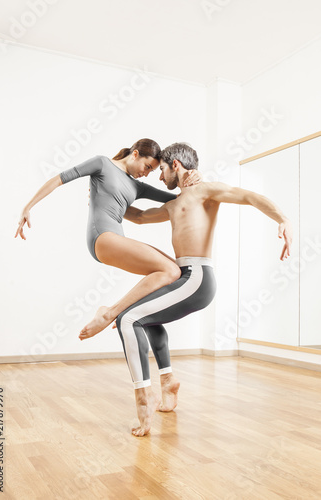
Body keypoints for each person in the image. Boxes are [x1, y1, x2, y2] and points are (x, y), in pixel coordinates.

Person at [109, 142, 292, 437]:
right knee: (145, 318)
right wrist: (107, 198)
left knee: (127, 319)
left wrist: (282, 218)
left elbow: (250, 196)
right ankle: (168, 382)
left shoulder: (205, 191)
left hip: (197, 278)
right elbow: (141, 217)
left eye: (163, 170)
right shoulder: (173, 204)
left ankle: (144, 400)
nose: (159, 177)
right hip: (184, 277)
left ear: (176, 166)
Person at [14, 139, 200, 335]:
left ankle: (136, 315)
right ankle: (110, 313)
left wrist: (196, 176)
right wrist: (27, 207)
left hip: (115, 239)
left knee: (177, 273)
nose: (146, 173)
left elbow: (181, 198)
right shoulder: (102, 164)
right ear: (135, 154)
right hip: (102, 237)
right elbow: (59, 179)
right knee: (171, 270)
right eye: (146, 167)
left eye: (151, 171)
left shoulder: (137, 186)